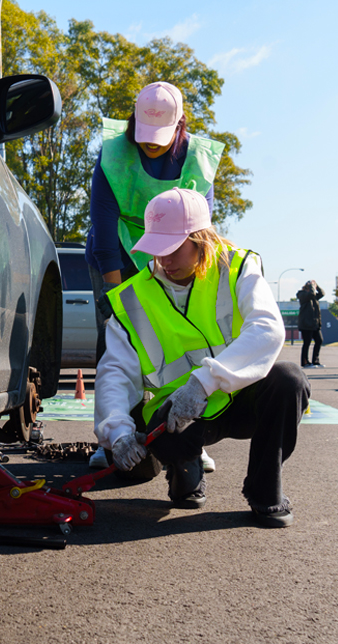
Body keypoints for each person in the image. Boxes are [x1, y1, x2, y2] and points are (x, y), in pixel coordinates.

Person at [94, 188, 310, 528]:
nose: (163, 260)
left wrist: (205, 382)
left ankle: (265, 492)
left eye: (172, 249)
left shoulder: (237, 267)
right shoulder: (133, 299)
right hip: (177, 415)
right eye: (156, 249)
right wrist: (118, 432)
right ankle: (184, 473)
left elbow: (267, 329)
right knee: (166, 445)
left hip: (239, 399)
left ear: (201, 239)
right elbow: (114, 373)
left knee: (288, 381)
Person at [85, 82, 225, 472]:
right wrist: (115, 292)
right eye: (144, 136)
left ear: (180, 124)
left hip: (174, 252)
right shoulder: (113, 154)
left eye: (160, 138)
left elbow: (200, 232)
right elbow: (103, 225)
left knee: (185, 337)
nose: (150, 145)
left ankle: (191, 436)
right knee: (116, 343)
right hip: (117, 253)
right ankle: (112, 435)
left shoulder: (198, 161)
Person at [296, 280, 325, 368]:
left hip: (315, 324)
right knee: (307, 343)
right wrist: (312, 286)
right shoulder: (302, 295)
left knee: (319, 340)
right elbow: (311, 294)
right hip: (306, 324)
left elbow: (322, 293)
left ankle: (315, 361)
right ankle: (305, 362)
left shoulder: (314, 296)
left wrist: (317, 286)